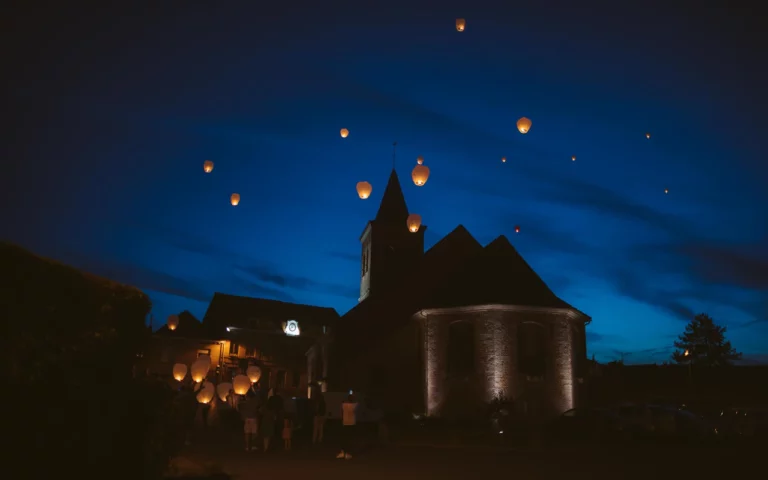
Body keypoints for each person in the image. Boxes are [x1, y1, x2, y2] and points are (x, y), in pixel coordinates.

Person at [336, 393, 358, 460]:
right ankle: (347, 453)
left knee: (344, 438)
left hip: (345, 423)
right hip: (351, 423)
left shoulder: (344, 405)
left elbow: (341, 412)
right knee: (349, 438)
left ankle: (342, 451)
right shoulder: (355, 405)